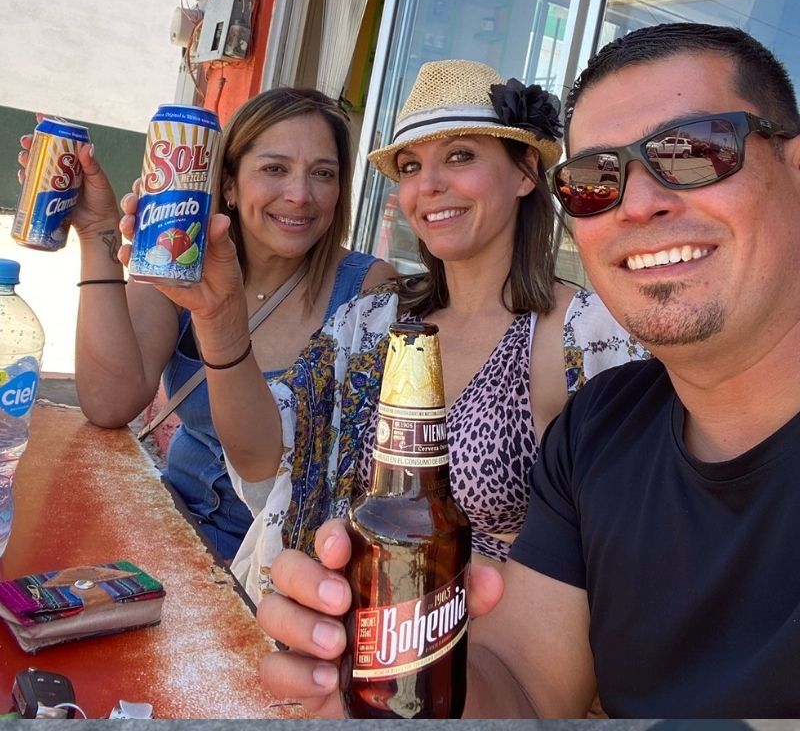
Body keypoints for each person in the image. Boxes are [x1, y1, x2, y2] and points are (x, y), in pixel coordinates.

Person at [256, 23, 800, 718]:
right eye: (599, 177)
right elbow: (524, 686)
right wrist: (390, 686)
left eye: (692, 152)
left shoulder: (575, 341)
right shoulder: (603, 426)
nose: (638, 203)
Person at [178, 58, 647, 604]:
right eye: (409, 166)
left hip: (467, 672)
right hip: (312, 639)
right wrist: (219, 320)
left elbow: (622, 566)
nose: (430, 185)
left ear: (524, 172)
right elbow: (264, 457)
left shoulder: (584, 337)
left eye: (460, 156)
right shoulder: (372, 320)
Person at [19, 88, 394, 560]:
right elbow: (110, 402)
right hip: (166, 531)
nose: (300, 195)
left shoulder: (367, 290)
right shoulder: (180, 254)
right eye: (274, 169)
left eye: (323, 174)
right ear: (231, 185)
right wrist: (97, 233)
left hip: (280, 570)